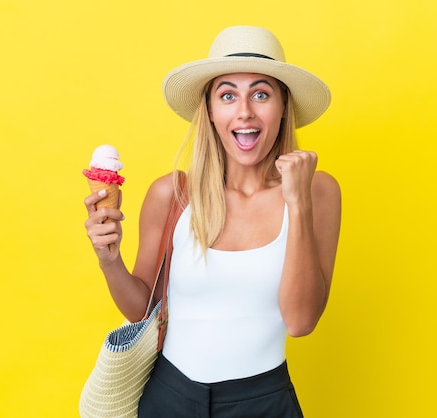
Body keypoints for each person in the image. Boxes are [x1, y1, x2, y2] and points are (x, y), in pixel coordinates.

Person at [84, 25, 341, 418]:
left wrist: (297, 203)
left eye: (260, 93)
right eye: (227, 95)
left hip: (264, 401)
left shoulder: (317, 191)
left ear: (283, 106)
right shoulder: (172, 194)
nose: (244, 111)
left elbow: (301, 321)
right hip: (169, 397)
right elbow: (141, 308)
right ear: (209, 110)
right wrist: (109, 259)